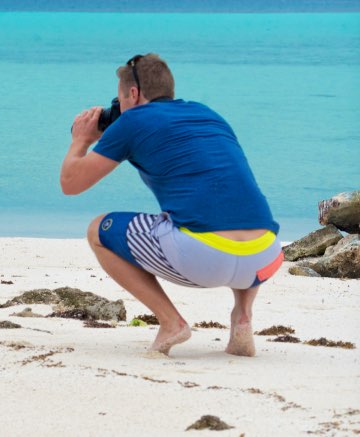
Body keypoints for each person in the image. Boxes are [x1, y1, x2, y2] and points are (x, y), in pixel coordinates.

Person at [60, 53, 282, 357]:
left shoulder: (132, 121)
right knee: (232, 208)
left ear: (134, 94)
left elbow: (71, 184)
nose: (120, 107)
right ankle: (242, 318)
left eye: (121, 99)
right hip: (265, 256)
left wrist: (81, 141)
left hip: (204, 258)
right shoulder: (209, 114)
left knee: (98, 230)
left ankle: (171, 322)